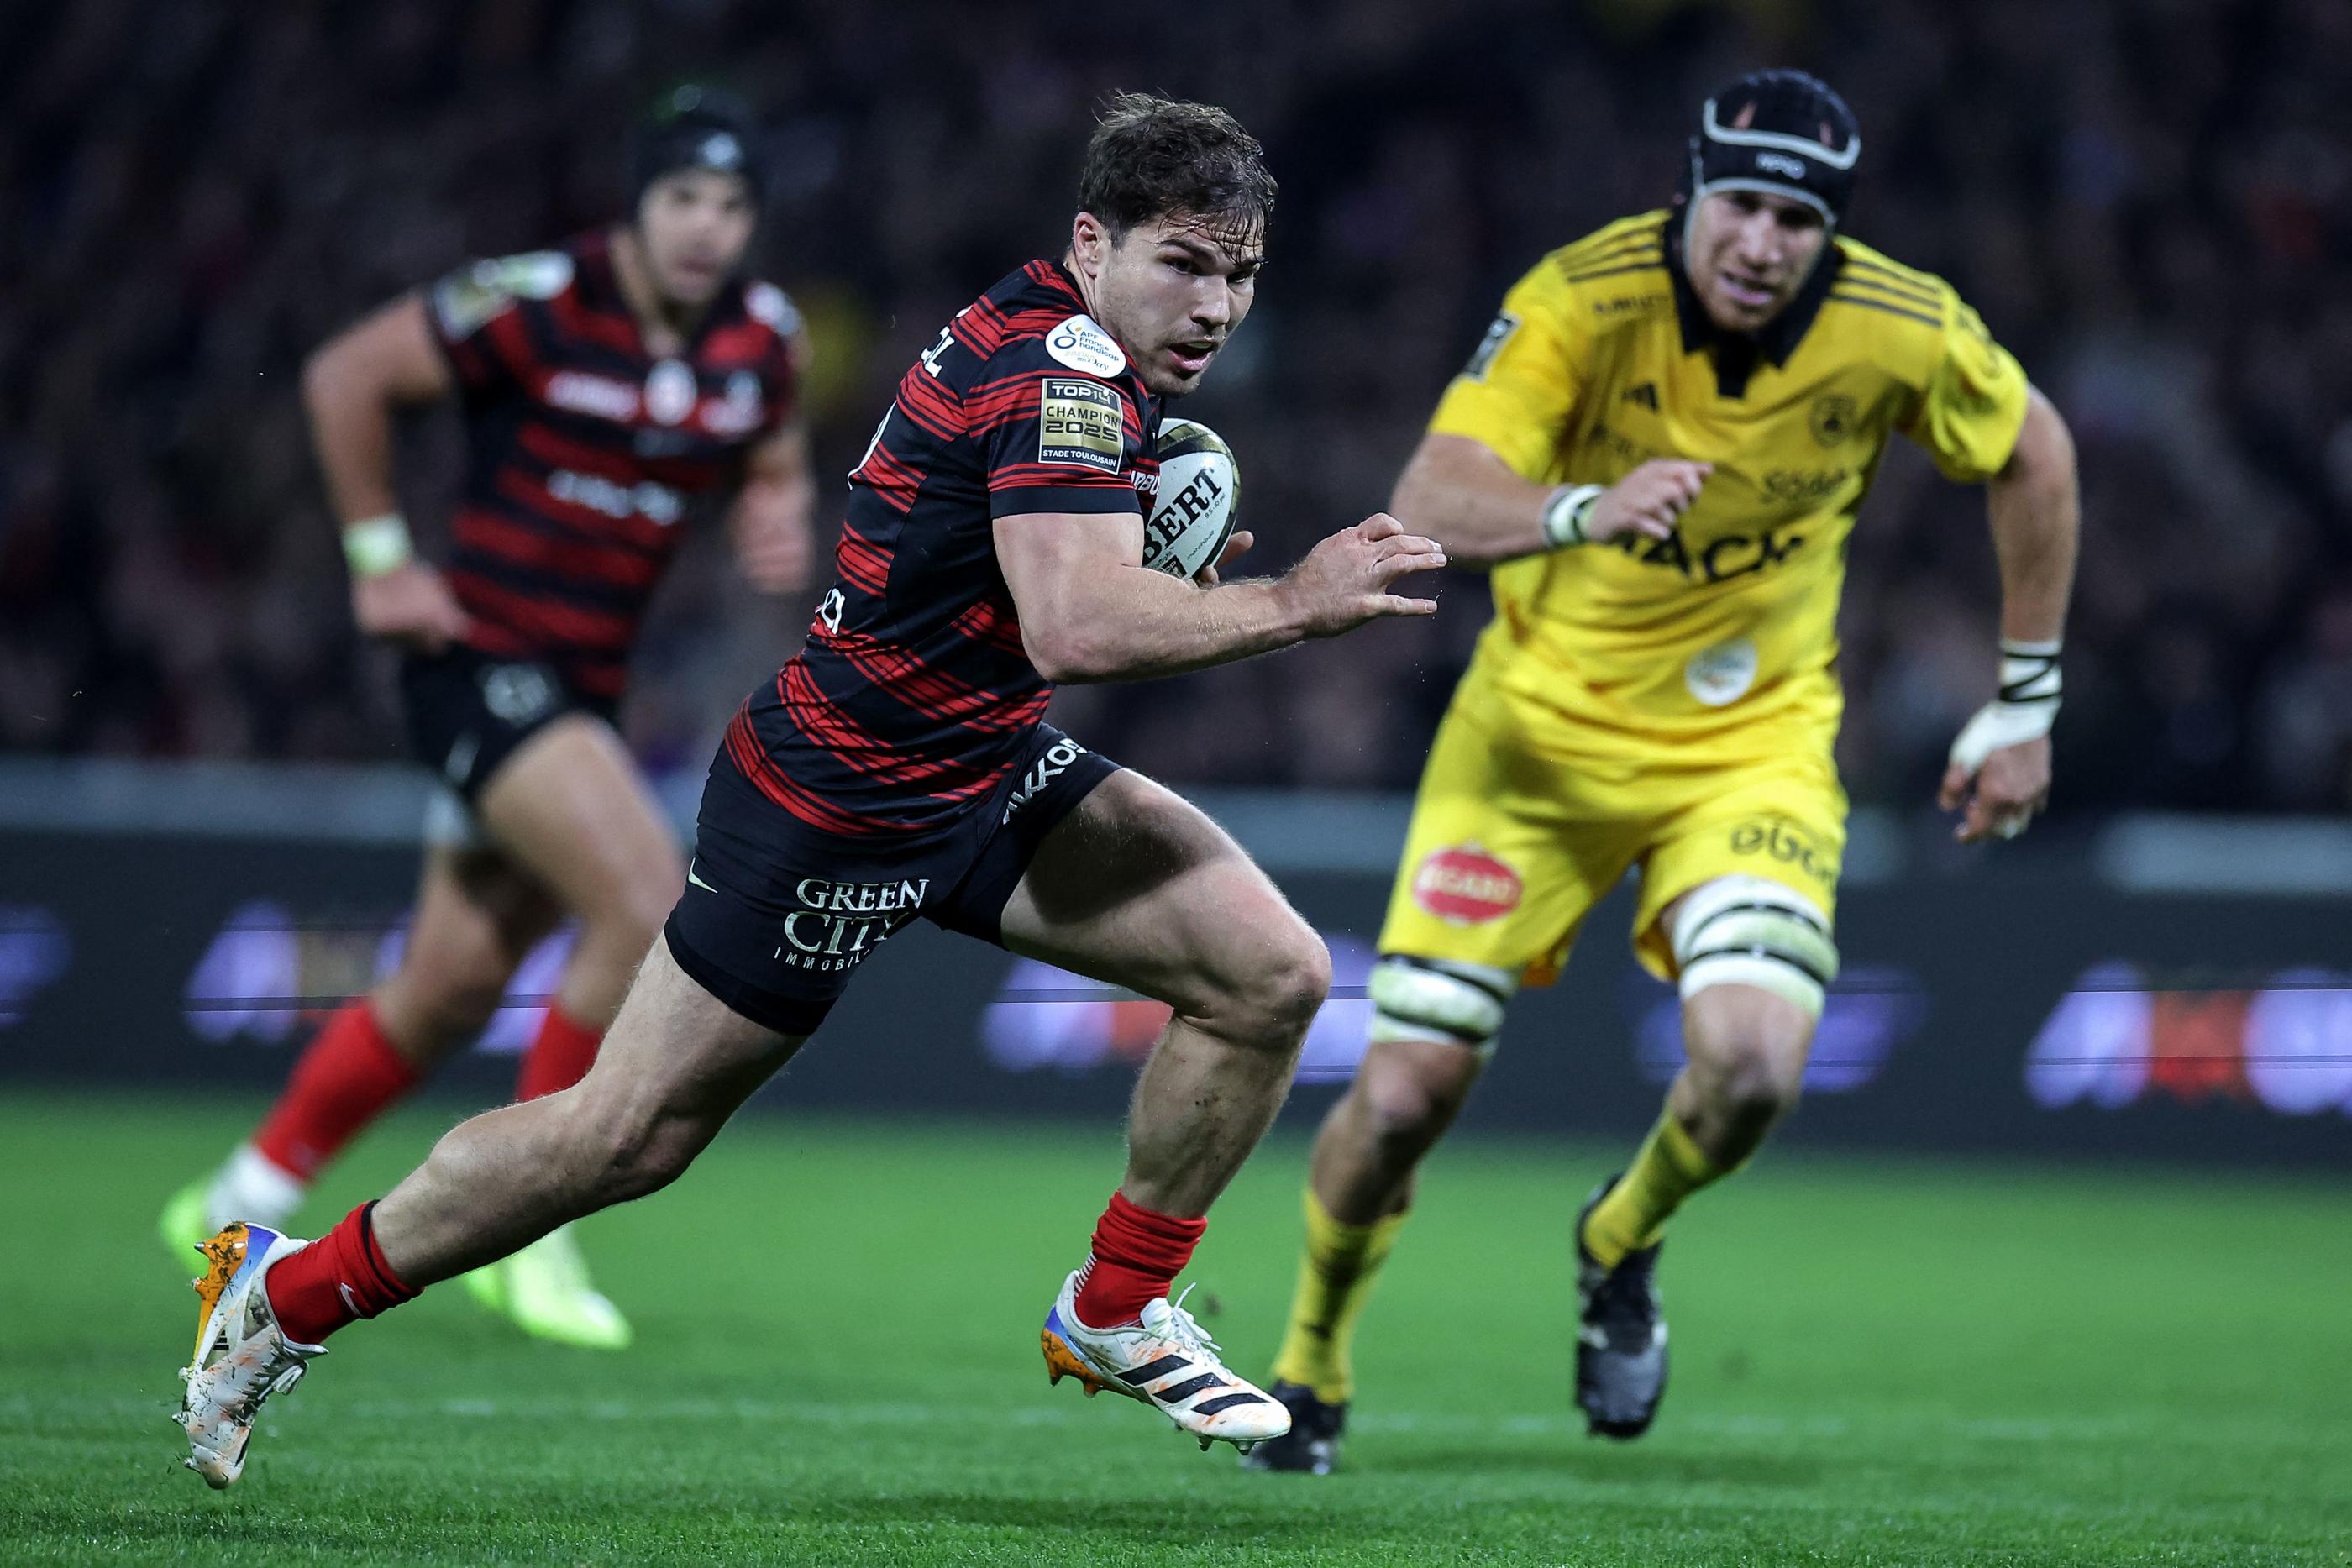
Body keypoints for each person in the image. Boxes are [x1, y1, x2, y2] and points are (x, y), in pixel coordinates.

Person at [173, 92, 1450, 1488]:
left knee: (1268, 974)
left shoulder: (1069, 352)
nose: (1215, 306)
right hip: (838, 798)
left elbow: (1029, 589)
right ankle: (279, 1297)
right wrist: (1294, 602)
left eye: (1240, 273)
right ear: (1091, 243)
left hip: (979, 766)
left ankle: (1115, 1307)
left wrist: (1153, 574)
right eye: (1184, 264)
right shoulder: (1066, 370)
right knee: (624, 1140)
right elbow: (1078, 629)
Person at [1244, 69, 2081, 1474]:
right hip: (1532, 750)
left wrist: (2027, 703)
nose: (1763, 242)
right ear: (1691, 191)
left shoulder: (1901, 324)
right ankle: (1310, 1365)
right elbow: (1432, 497)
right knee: (1397, 1102)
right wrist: (1585, 506)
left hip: (1749, 753)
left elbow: (2035, 450)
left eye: (1798, 221)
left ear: (1832, 233)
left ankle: (1619, 1238)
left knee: (1750, 1069)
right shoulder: (1584, 298)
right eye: (1741, 205)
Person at [159, 86, 817, 1351]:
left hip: (582, 689)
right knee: (643, 896)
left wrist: (772, 504)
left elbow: (774, 446)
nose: (706, 227)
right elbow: (346, 375)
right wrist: (378, 559)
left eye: (732, 206)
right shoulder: (537, 301)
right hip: (479, 663)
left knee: (449, 986)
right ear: (637, 204)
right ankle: (533, 1225)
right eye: (683, 197)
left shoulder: (762, 341)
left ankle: (236, 1198)